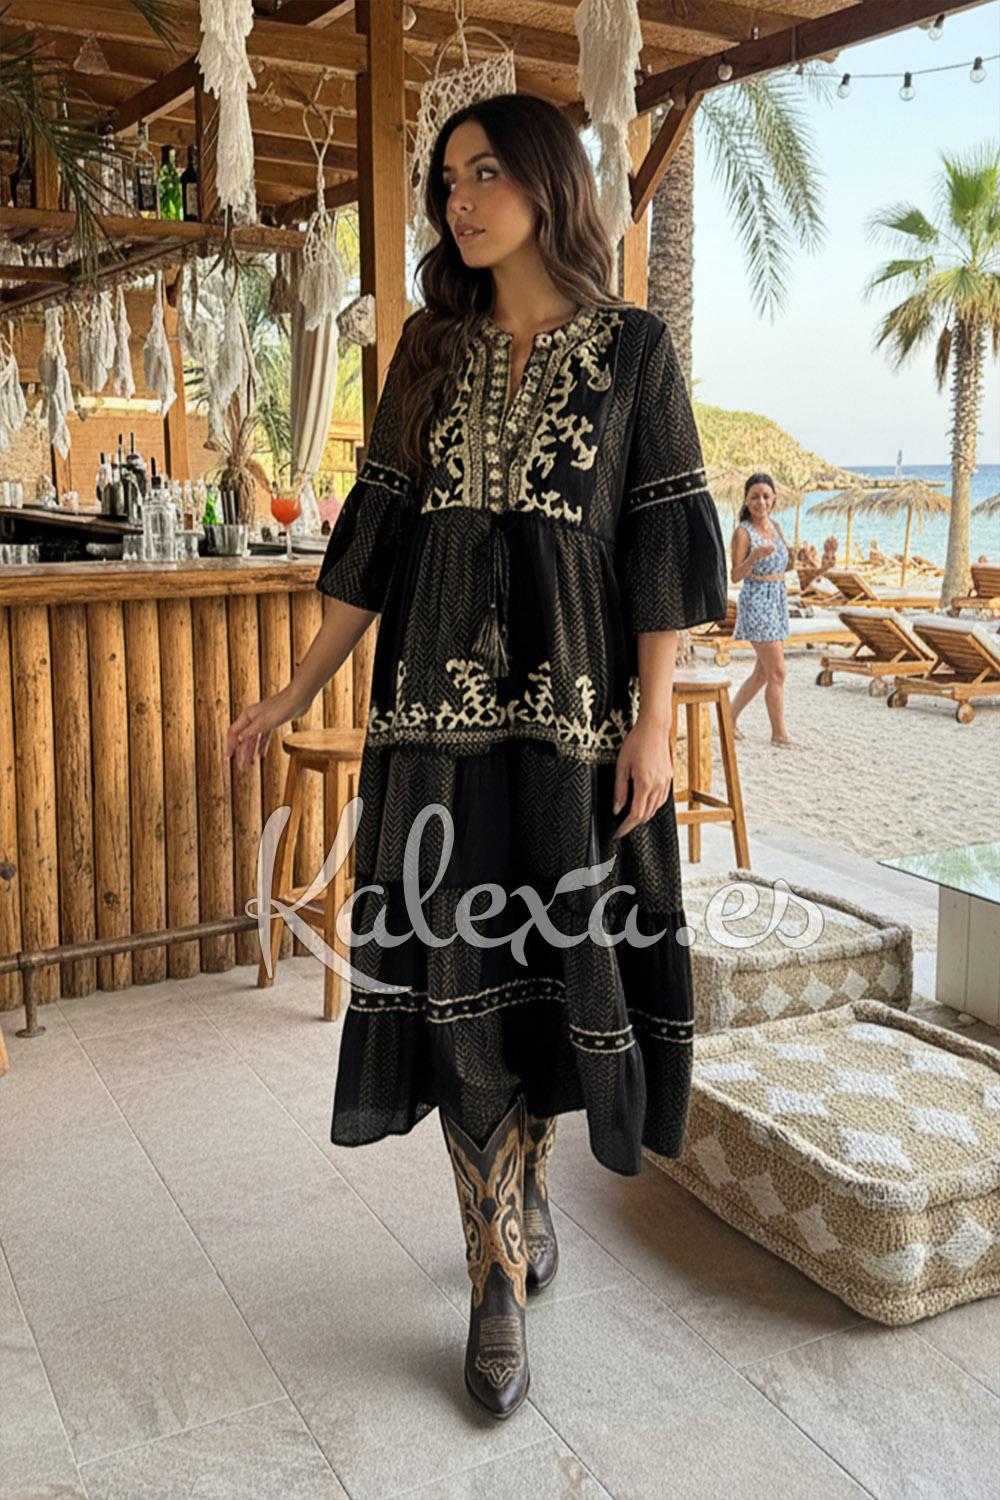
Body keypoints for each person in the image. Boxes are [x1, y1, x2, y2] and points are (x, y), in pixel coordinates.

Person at [225, 92, 729, 1419]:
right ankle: (494, 1275)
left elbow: (661, 551)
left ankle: (527, 1192)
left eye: (486, 171)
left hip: (572, 735)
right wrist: (292, 693)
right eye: (447, 179)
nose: (460, 198)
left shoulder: (634, 352)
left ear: (550, 183)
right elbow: (373, 548)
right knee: (457, 984)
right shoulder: (425, 354)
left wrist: (655, 722)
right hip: (433, 740)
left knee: (546, 976)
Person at [728, 472, 799, 747]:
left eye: (766, 496)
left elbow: (785, 567)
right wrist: (753, 557)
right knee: (778, 672)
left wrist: (794, 558)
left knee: (762, 674)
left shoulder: (777, 527)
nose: (761, 502)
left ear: (774, 498)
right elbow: (735, 575)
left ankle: (728, 718)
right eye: (755, 497)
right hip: (757, 602)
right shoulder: (743, 533)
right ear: (746, 500)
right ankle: (779, 734)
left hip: (777, 601)